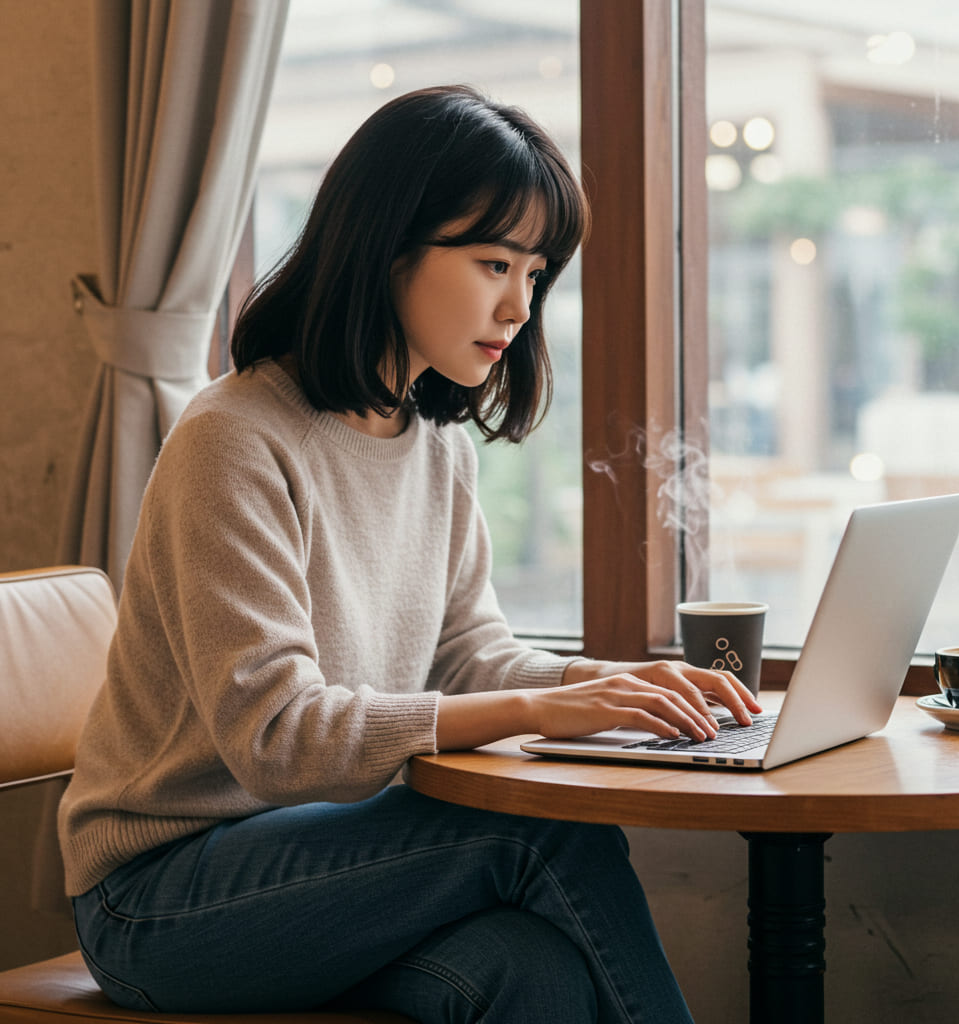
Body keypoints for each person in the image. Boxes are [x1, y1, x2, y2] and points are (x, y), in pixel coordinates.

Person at [58, 84, 761, 1022]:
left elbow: (465, 653)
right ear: (386, 246)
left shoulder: (436, 449)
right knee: (545, 835)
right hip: (159, 899)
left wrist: (608, 684)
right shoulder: (234, 438)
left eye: (536, 273)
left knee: (530, 970)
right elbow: (278, 738)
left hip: (325, 869)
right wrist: (544, 710)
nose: (518, 306)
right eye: (493, 262)